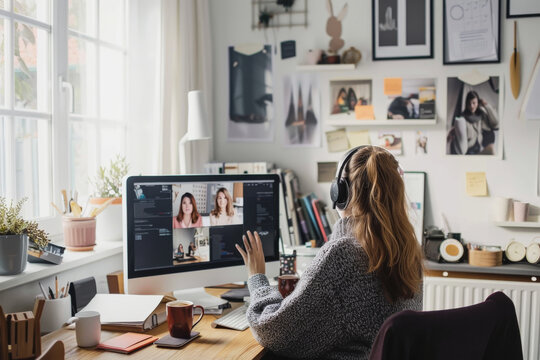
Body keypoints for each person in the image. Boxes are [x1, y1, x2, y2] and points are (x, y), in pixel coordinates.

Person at [236, 145, 424, 359]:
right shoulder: (410, 253)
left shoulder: (342, 256)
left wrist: (257, 278)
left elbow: (271, 332)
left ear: (340, 192)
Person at [448, 90, 499, 155]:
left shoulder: (481, 115)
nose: (471, 106)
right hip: (468, 152)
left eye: (474, 103)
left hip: (479, 149)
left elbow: (496, 123)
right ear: (466, 104)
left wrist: (486, 105)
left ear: (478, 103)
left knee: (491, 149)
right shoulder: (462, 118)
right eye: (469, 103)